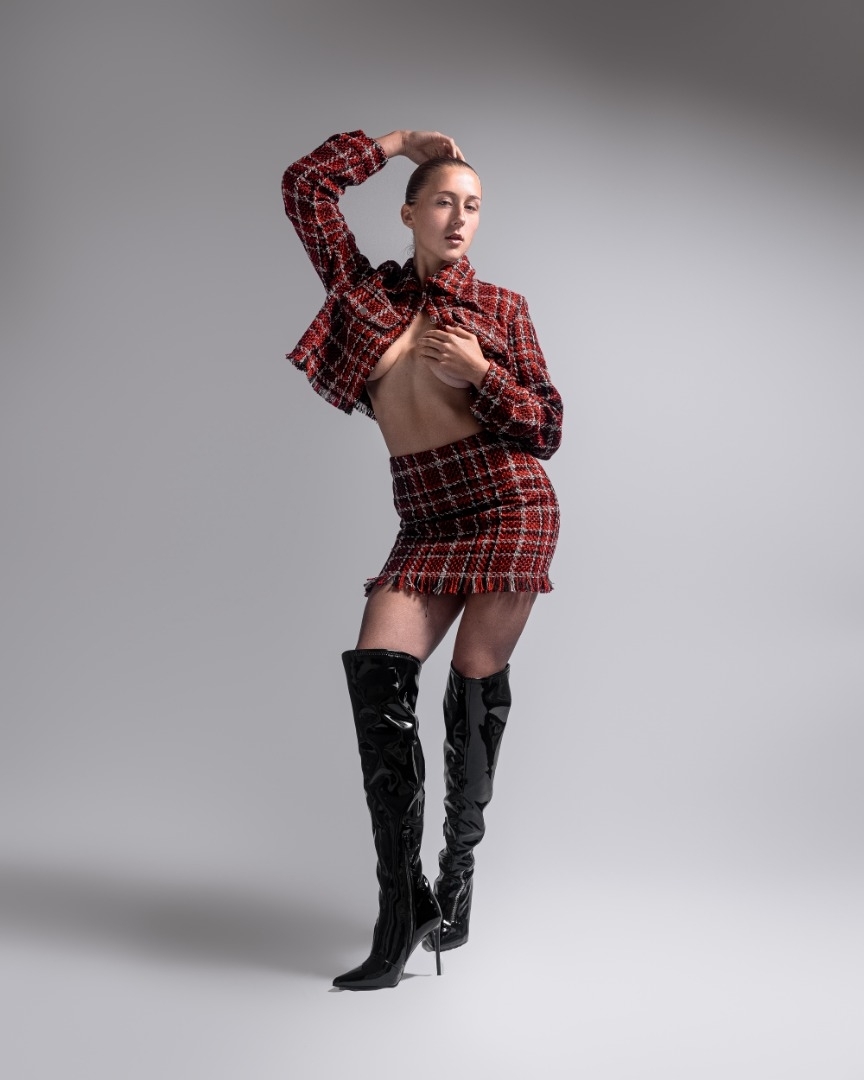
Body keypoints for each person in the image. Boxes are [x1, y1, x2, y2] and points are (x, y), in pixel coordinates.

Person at [282, 129, 563, 990]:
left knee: (471, 693)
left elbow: (548, 427)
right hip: (426, 517)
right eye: (443, 200)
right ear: (409, 213)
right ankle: (403, 908)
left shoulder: (501, 309)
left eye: (472, 206)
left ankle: (456, 881)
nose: (459, 218)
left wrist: (482, 373)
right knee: (379, 678)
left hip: (509, 506)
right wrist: (400, 141)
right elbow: (305, 186)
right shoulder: (362, 294)